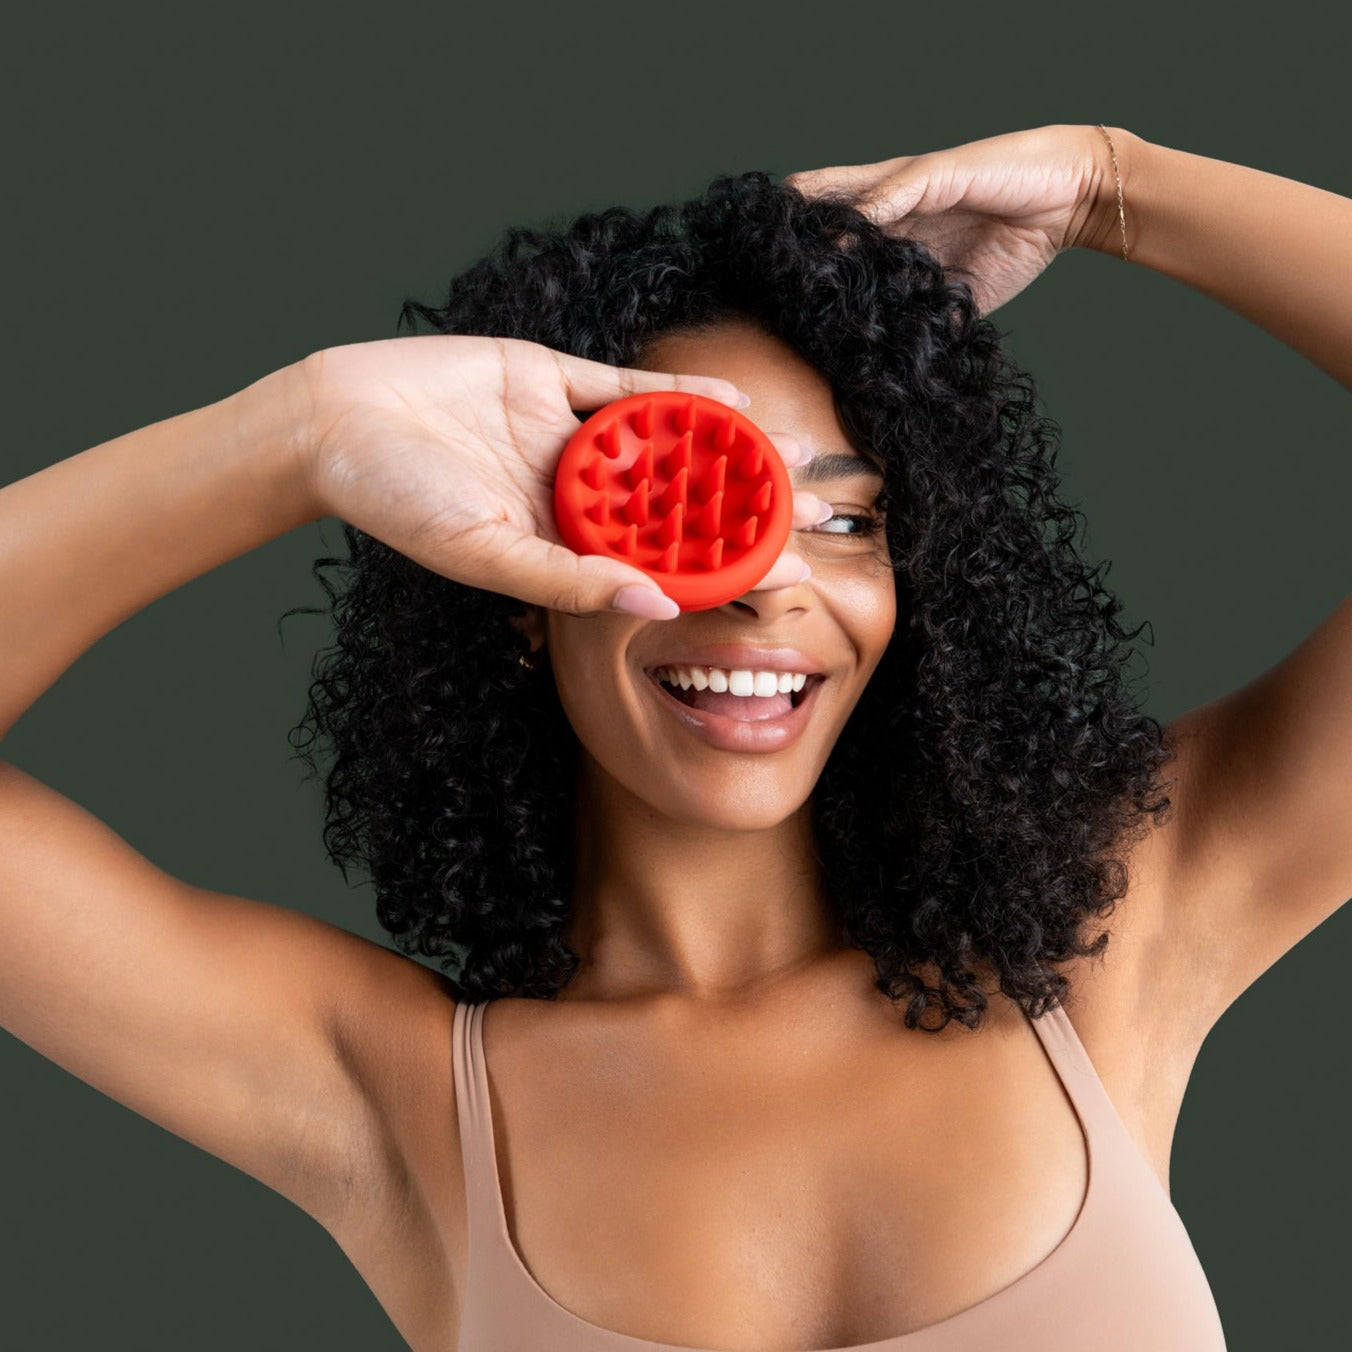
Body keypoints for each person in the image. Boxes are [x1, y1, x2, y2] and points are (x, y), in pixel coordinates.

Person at [0, 121, 1346, 1351]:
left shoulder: (1110, 935)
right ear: (519, 589)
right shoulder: (394, 1091)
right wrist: (297, 435)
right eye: (686, 507)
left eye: (845, 520)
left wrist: (1119, 186)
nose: (771, 584)